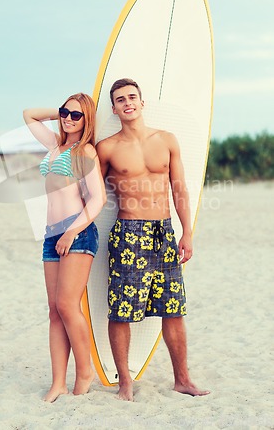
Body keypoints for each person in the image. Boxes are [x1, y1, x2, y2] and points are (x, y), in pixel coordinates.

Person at [96, 78, 210, 401]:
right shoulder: (108, 148)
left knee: (173, 308)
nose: (127, 102)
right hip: (129, 234)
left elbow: (179, 188)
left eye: (132, 97)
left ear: (142, 103)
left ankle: (182, 379)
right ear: (115, 108)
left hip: (164, 232)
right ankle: (125, 383)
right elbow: (92, 192)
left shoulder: (167, 140)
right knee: (121, 310)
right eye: (120, 100)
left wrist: (187, 231)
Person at [23, 93, 106, 403]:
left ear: (87, 120)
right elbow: (29, 114)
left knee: (68, 305)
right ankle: (58, 382)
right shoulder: (55, 145)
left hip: (77, 232)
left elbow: (98, 199)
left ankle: (84, 372)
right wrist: (60, 110)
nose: (69, 118)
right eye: (65, 112)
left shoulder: (84, 151)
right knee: (55, 311)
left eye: (77, 115)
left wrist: (71, 232)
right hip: (51, 233)